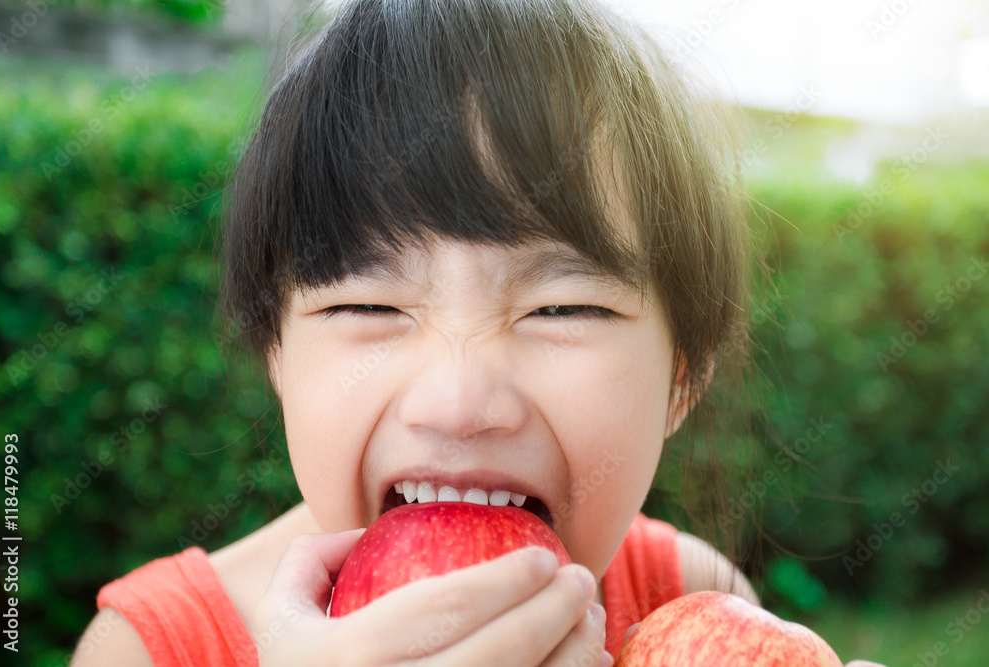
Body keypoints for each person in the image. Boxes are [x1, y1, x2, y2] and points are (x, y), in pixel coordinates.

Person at [71, 0, 886, 665]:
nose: (458, 401)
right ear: (276, 352)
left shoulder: (688, 602)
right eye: (369, 306)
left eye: (562, 308)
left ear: (685, 373)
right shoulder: (147, 649)